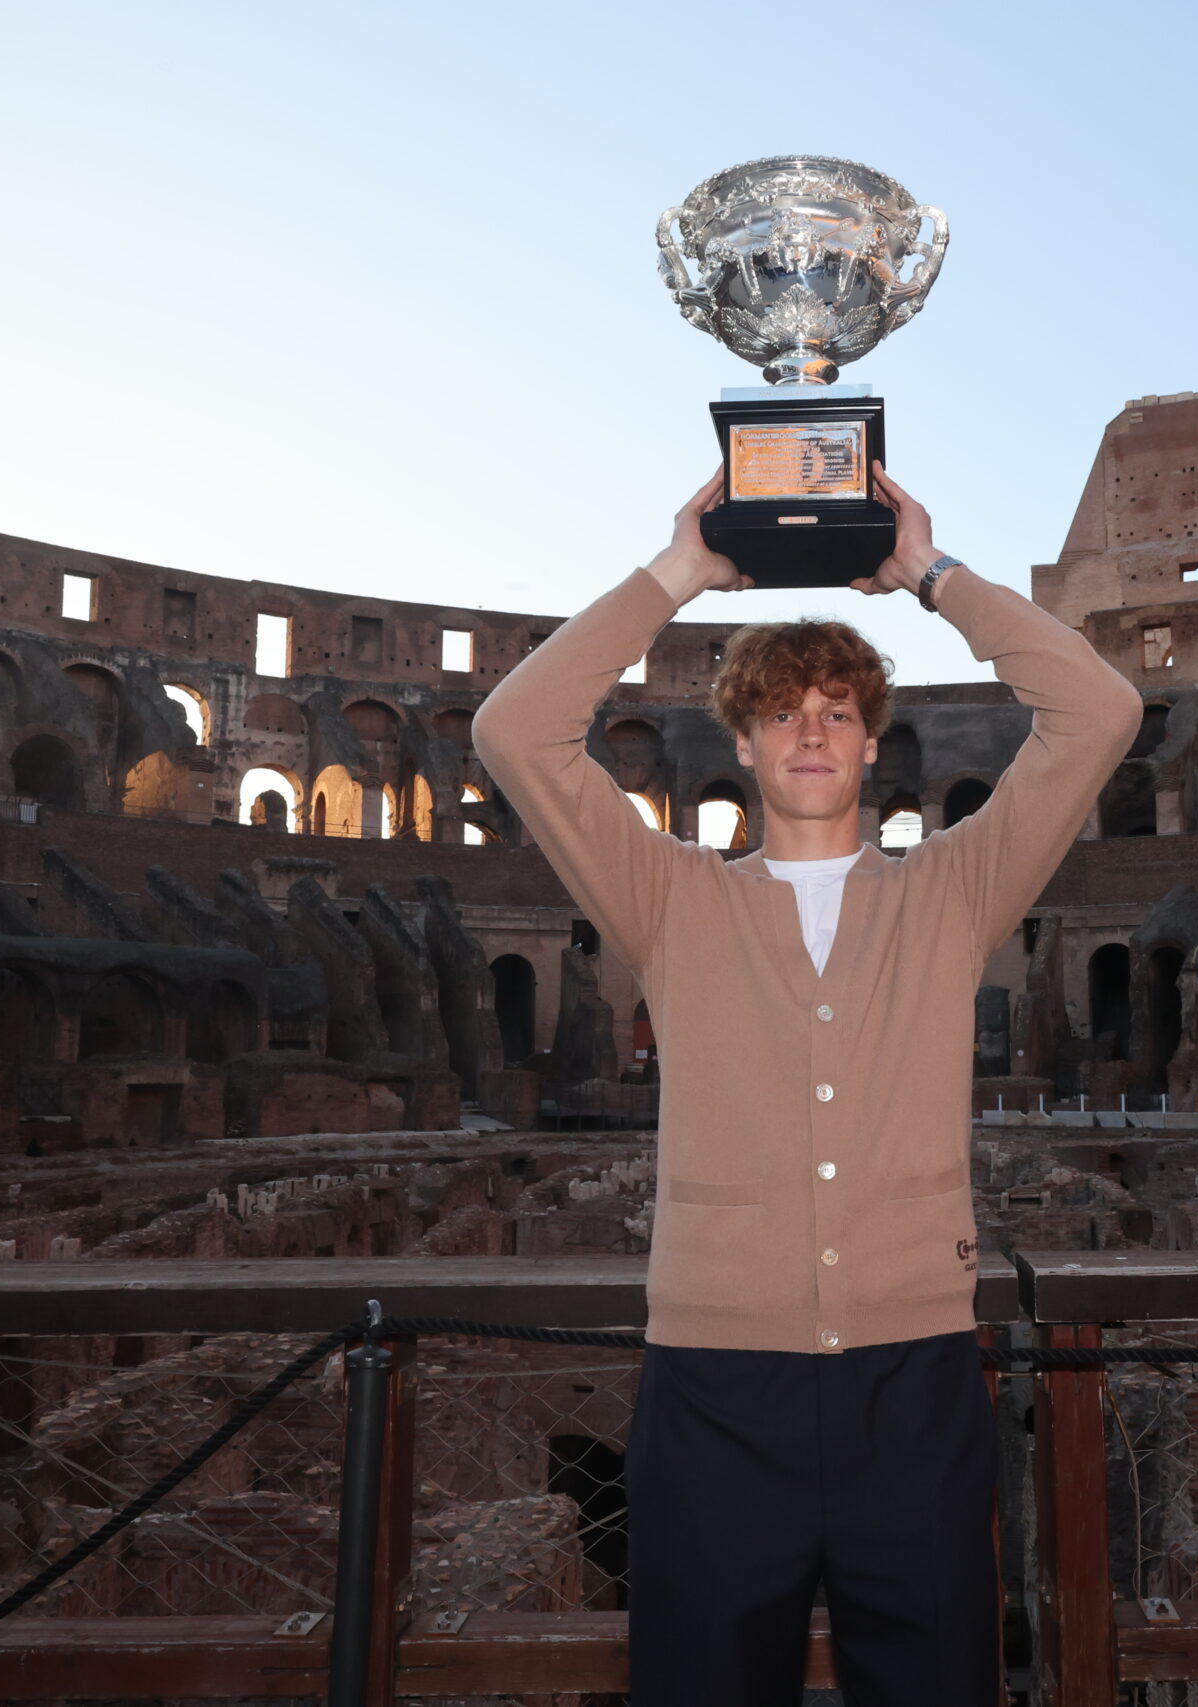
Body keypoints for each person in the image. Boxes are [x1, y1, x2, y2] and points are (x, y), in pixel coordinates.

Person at [471, 464, 1141, 1705]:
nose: (814, 731)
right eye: (783, 712)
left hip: (916, 1376)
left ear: (875, 743)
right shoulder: (668, 894)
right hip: (715, 1383)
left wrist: (929, 576)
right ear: (740, 743)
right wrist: (681, 570)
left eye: (838, 709)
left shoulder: (953, 887)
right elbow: (515, 731)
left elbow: (1096, 712)